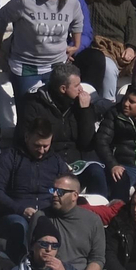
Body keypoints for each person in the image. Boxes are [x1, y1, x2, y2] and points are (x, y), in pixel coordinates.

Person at [0, 0, 83, 98]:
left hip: (57, 66)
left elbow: (78, 22)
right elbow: (1, 17)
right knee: (29, 108)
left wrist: (76, 45)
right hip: (26, 67)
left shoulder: (71, 1)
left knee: (56, 108)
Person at [0, 117, 72, 261]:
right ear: (27, 137)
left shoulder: (57, 162)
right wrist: (21, 209)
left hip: (48, 215)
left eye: (45, 146)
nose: (41, 151)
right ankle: (18, 267)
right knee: (19, 227)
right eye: (37, 145)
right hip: (14, 215)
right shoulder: (8, 158)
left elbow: (69, 187)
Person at [15, 61, 102, 189]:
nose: (81, 89)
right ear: (63, 89)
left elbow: (87, 143)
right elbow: (26, 140)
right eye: (76, 86)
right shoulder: (34, 105)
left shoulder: (80, 104)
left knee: (97, 173)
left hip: (76, 162)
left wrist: (85, 111)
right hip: (47, 161)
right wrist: (58, 163)